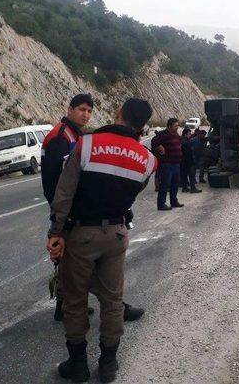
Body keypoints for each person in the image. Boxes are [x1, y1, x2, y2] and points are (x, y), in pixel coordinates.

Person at [46, 98, 156, 383]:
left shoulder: (87, 144)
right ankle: (108, 364)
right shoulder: (147, 160)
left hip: (81, 236)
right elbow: (131, 192)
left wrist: (56, 233)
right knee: (112, 300)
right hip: (117, 234)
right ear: (143, 125)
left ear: (118, 113)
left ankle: (78, 365)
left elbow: (64, 194)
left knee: (74, 300)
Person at [41, 94, 145, 323]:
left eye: (89, 111)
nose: (86, 114)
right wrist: (61, 218)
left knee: (71, 263)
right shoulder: (61, 137)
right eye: (81, 109)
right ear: (69, 109)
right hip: (71, 213)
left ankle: (64, 304)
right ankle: (116, 306)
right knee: (87, 266)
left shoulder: (76, 135)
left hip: (74, 211)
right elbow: (57, 183)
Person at [151, 117, 184, 210]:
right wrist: (159, 146)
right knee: (165, 184)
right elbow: (154, 142)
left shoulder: (176, 135)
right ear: (169, 126)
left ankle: (174, 201)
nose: (177, 127)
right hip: (167, 164)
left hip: (176, 164)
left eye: (178, 125)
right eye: (175, 126)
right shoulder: (162, 134)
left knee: (175, 183)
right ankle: (161, 204)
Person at [180, 128, 202, 193]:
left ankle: (185, 188)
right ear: (185, 134)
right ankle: (193, 188)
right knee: (191, 175)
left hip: (184, 161)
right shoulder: (185, 142)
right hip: (188, 161)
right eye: (189, 134)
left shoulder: (183, 141)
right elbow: (189, 152)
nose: (190, 135)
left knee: (184, 175)